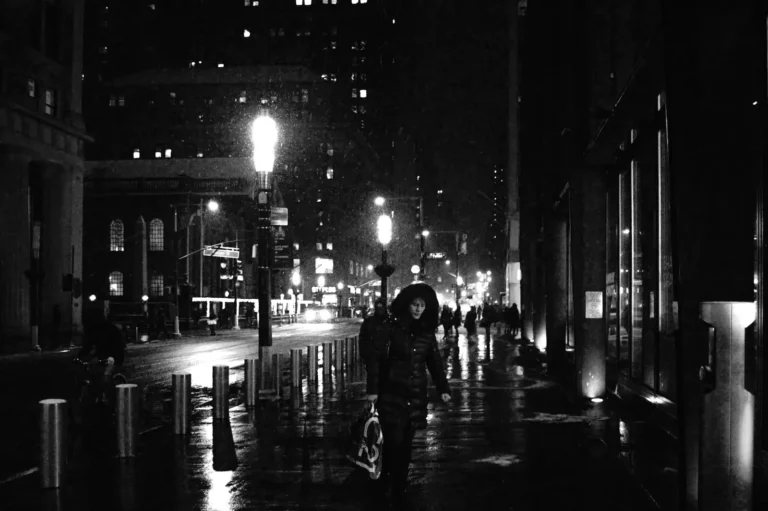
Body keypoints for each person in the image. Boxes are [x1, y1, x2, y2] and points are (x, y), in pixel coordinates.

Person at [365, 283, 451, 504]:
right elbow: (375, 360)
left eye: (422, 305)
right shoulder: (391, 329)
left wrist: (443, 388)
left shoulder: (426, 333)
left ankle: (399, 484)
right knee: (394, 441)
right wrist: (373, 391)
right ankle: (389, 481)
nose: (418, 309)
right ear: (407, 304)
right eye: (415, 304)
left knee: (406, 444)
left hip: (415, 396)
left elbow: (435, 363)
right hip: (392, 394)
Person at [75, 310, 126, 399]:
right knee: (92, 372)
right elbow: (88, 346)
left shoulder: (110, 329)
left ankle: (113, 399)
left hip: (115, 356)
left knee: (106, 377)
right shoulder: (93, 331)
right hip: (102, 355)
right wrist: (80, 357)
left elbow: (118, 346)